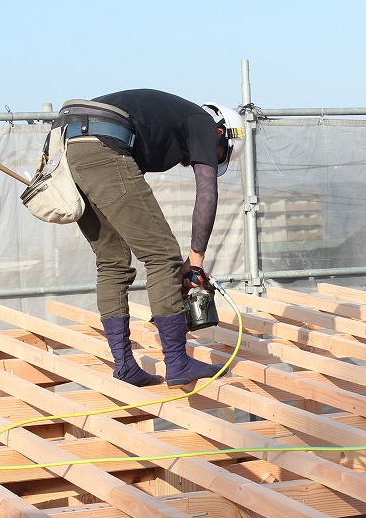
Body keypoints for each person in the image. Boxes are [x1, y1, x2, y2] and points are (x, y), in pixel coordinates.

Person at [50, 89, 244, 388]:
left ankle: (125, 366)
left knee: (112, 261)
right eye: (218, 154)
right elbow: (207, 192)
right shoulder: (204, 123)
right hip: (101, 141)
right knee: (163, 256)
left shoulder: (165, 124)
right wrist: (195, 260)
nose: (207, 158)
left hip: (67, 143)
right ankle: (178, 363)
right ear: (221, 134)